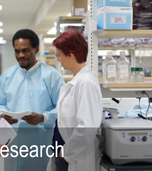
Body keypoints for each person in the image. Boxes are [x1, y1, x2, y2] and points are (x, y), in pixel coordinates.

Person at [0, 29, 65, 171]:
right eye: (17, 51)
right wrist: (2, 115)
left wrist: (44, 117)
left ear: (36, 49)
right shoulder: (7, 76)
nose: (21, 55)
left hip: (39, 145)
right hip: (12, 144)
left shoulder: (52, 76)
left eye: (25, 50)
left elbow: (63, 108)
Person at [47, 28, 103, 171]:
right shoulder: (76, 81)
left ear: (70, 55)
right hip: (65, 154)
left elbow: (87, 127)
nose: (58, 59)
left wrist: (66, 153)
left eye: (59, 55)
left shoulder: (86, 83)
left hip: (74, 157)